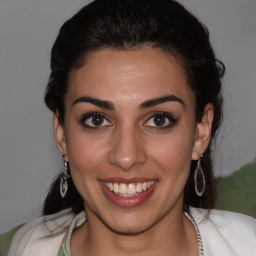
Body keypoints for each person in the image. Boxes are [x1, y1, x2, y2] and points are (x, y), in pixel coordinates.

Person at [0, 0, 255, 255]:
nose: (126, 157)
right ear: (62, 135)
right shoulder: (27, 247)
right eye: (97, 120)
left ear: (200, 132)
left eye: (158, 119)